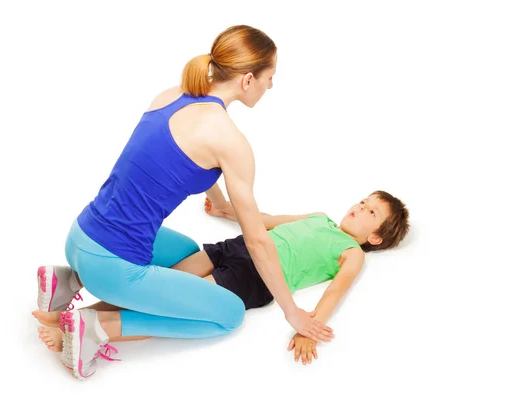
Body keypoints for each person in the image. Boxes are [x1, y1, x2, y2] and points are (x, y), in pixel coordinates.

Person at [42, 24, 333, 380]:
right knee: (228, 315)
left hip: (80, 235)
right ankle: (93, 327)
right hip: (111, 265)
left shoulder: (171, 95)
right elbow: (257, 241)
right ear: (247, 80)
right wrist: (292, 311)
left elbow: (171, 159)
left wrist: (220, 203)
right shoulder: (230, 141)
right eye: (269, 77)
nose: (270, 86)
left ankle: (68, 282)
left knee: (188, 252)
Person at [34, 190, 410, 373]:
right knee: (162, 290)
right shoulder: (319, 216)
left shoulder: (353, 253)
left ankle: (71, 295)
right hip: (235, 247)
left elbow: (335, 291)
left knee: (168, 295)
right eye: (363, 201)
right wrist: (228, 211)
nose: (359, 207)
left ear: (374, 238)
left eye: (371, 211)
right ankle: (80, 311)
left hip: (256, 277)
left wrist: (309, 328)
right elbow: (266, 219)